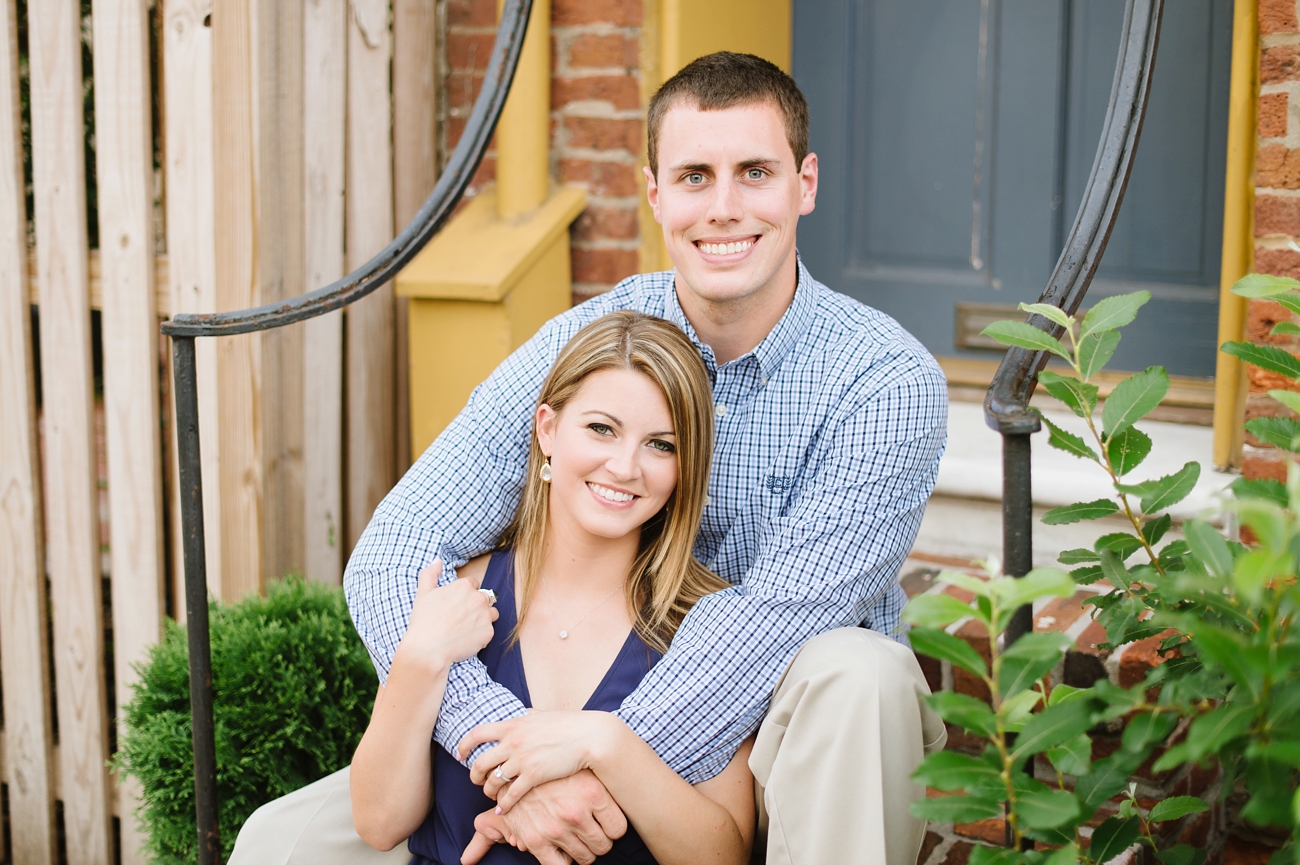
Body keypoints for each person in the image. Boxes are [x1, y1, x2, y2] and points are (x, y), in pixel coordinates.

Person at [231, 51, 947, 865]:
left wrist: (591, 763)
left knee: (860, 673)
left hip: (789, 741)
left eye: (754, 172)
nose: (723, 207)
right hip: (548, 718)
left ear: (804, 184)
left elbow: (765, 630)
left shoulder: (885, 381)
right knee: (283, 841)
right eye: (693, 176)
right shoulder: (593, 342)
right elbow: (395, 552)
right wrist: (501, 759)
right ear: (653, 193)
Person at [349, 311, 756, 865]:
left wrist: (608, 746)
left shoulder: (703, 628)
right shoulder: (456, 598)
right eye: (601, 429)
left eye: (661, 444)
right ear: (547, 429)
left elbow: (722, 856)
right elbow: (379, 822)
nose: (625, 465)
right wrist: (420, 656)